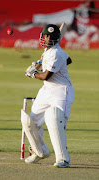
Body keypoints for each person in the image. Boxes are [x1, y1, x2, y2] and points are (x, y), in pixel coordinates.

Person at [22, 24, 75, 168]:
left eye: (48, 36)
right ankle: (40, 151)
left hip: (61, 91)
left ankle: (63, 159)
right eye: (45, 35)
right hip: (47, 91)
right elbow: (68, 60)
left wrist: (33, 73)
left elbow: (46, 76)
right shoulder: (50, 51)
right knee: (29, 121)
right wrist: (41, 62)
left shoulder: (56, 53)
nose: (46, 38)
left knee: (54, 118)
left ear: (53, 38)